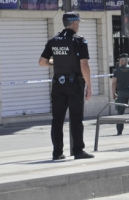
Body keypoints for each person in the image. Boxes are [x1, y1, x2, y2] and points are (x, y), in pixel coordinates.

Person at [39, 12, 94, 160]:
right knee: (76, 118)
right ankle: (78, 151)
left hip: (58, 84)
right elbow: (84, 65)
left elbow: (42, 62)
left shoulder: (54, 40)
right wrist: (89, 85)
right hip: (74, 84)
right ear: (75, 23)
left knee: (57, 119)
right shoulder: (79, 41)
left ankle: (57, 152)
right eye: (78, 23)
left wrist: (57, 62)